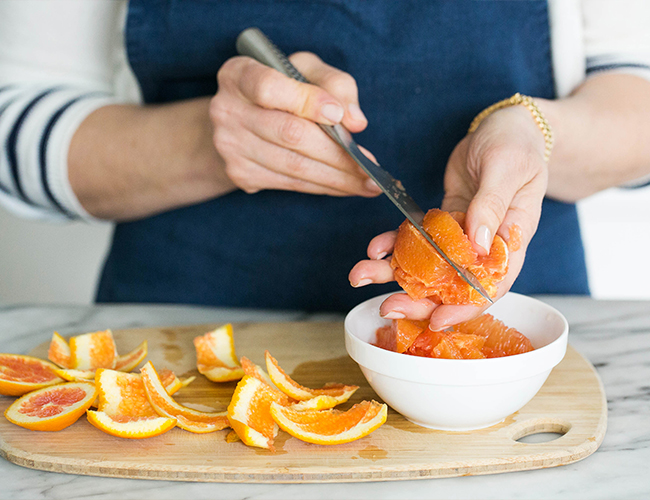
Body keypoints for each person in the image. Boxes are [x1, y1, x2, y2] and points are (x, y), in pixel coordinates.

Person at [1, 0, 650, 330]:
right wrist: (207, 143)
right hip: (191, 332)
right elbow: (14, 132)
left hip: (505, 325)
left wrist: (536, 133)